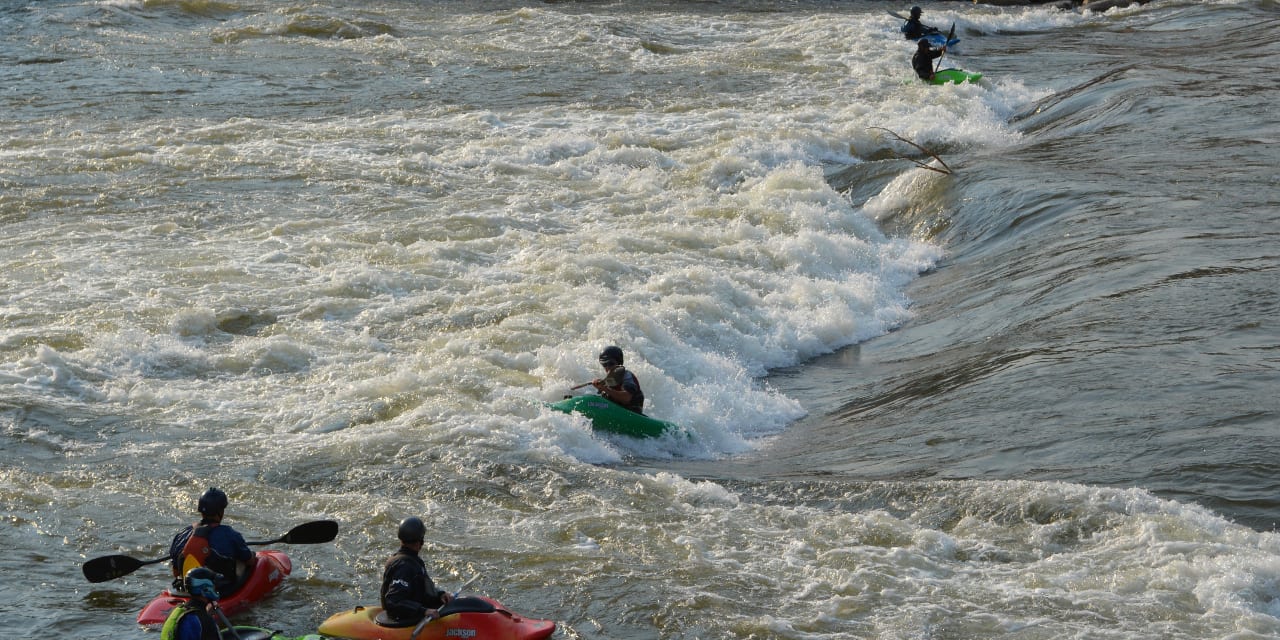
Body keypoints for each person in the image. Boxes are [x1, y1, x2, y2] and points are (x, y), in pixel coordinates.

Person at [169, 487, 253, 597]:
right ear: (220, 512)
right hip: (219, 591)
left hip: (186, 590)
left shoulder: (182, 534)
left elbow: (176, 572)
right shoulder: (230, 534)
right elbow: (249, 561)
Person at [380, 516, 453, 624]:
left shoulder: (413, 561)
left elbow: (422, 588)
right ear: (420, 541)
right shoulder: (404, 566)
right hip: (404, 618)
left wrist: (440, 594)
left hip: (414, 609)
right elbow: (393, 601)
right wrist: (424, 611)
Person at [160, 567, 223, 640]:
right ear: (205, 589)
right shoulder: (205, 620)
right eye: (214, 586)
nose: (216, 589)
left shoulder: (175, 611)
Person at [592, 345, 645, 414]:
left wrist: (605, 389)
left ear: (619, 363)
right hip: (615, 411)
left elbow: (626, 398)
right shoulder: (608, 380)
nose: (608, 367)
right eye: (604, 364)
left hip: (631, 413)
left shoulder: (627, 376)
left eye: (611, 363)